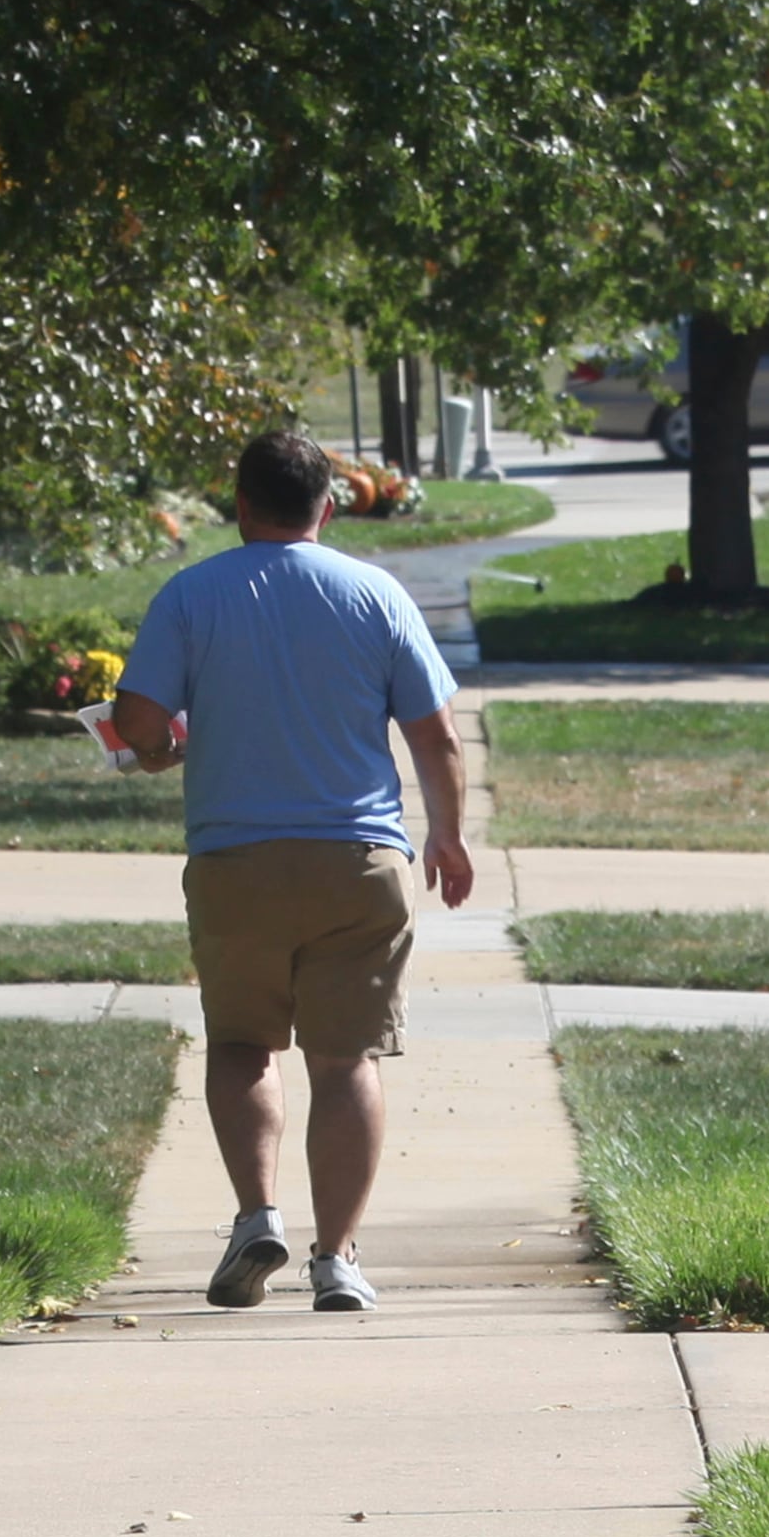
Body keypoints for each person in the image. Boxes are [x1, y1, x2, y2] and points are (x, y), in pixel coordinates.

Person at [113, 429, 473, 1315]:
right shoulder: (375, 593)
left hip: (235, 860)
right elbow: (436, 736)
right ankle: (338, 1259)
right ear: (327, 504)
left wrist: (162, 750)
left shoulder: (192, 594)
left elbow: (139, 719)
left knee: (242, 1044)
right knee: (345, 1058)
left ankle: (254, 1216)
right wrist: (449, 837)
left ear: (240, 504)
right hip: (359, 862)